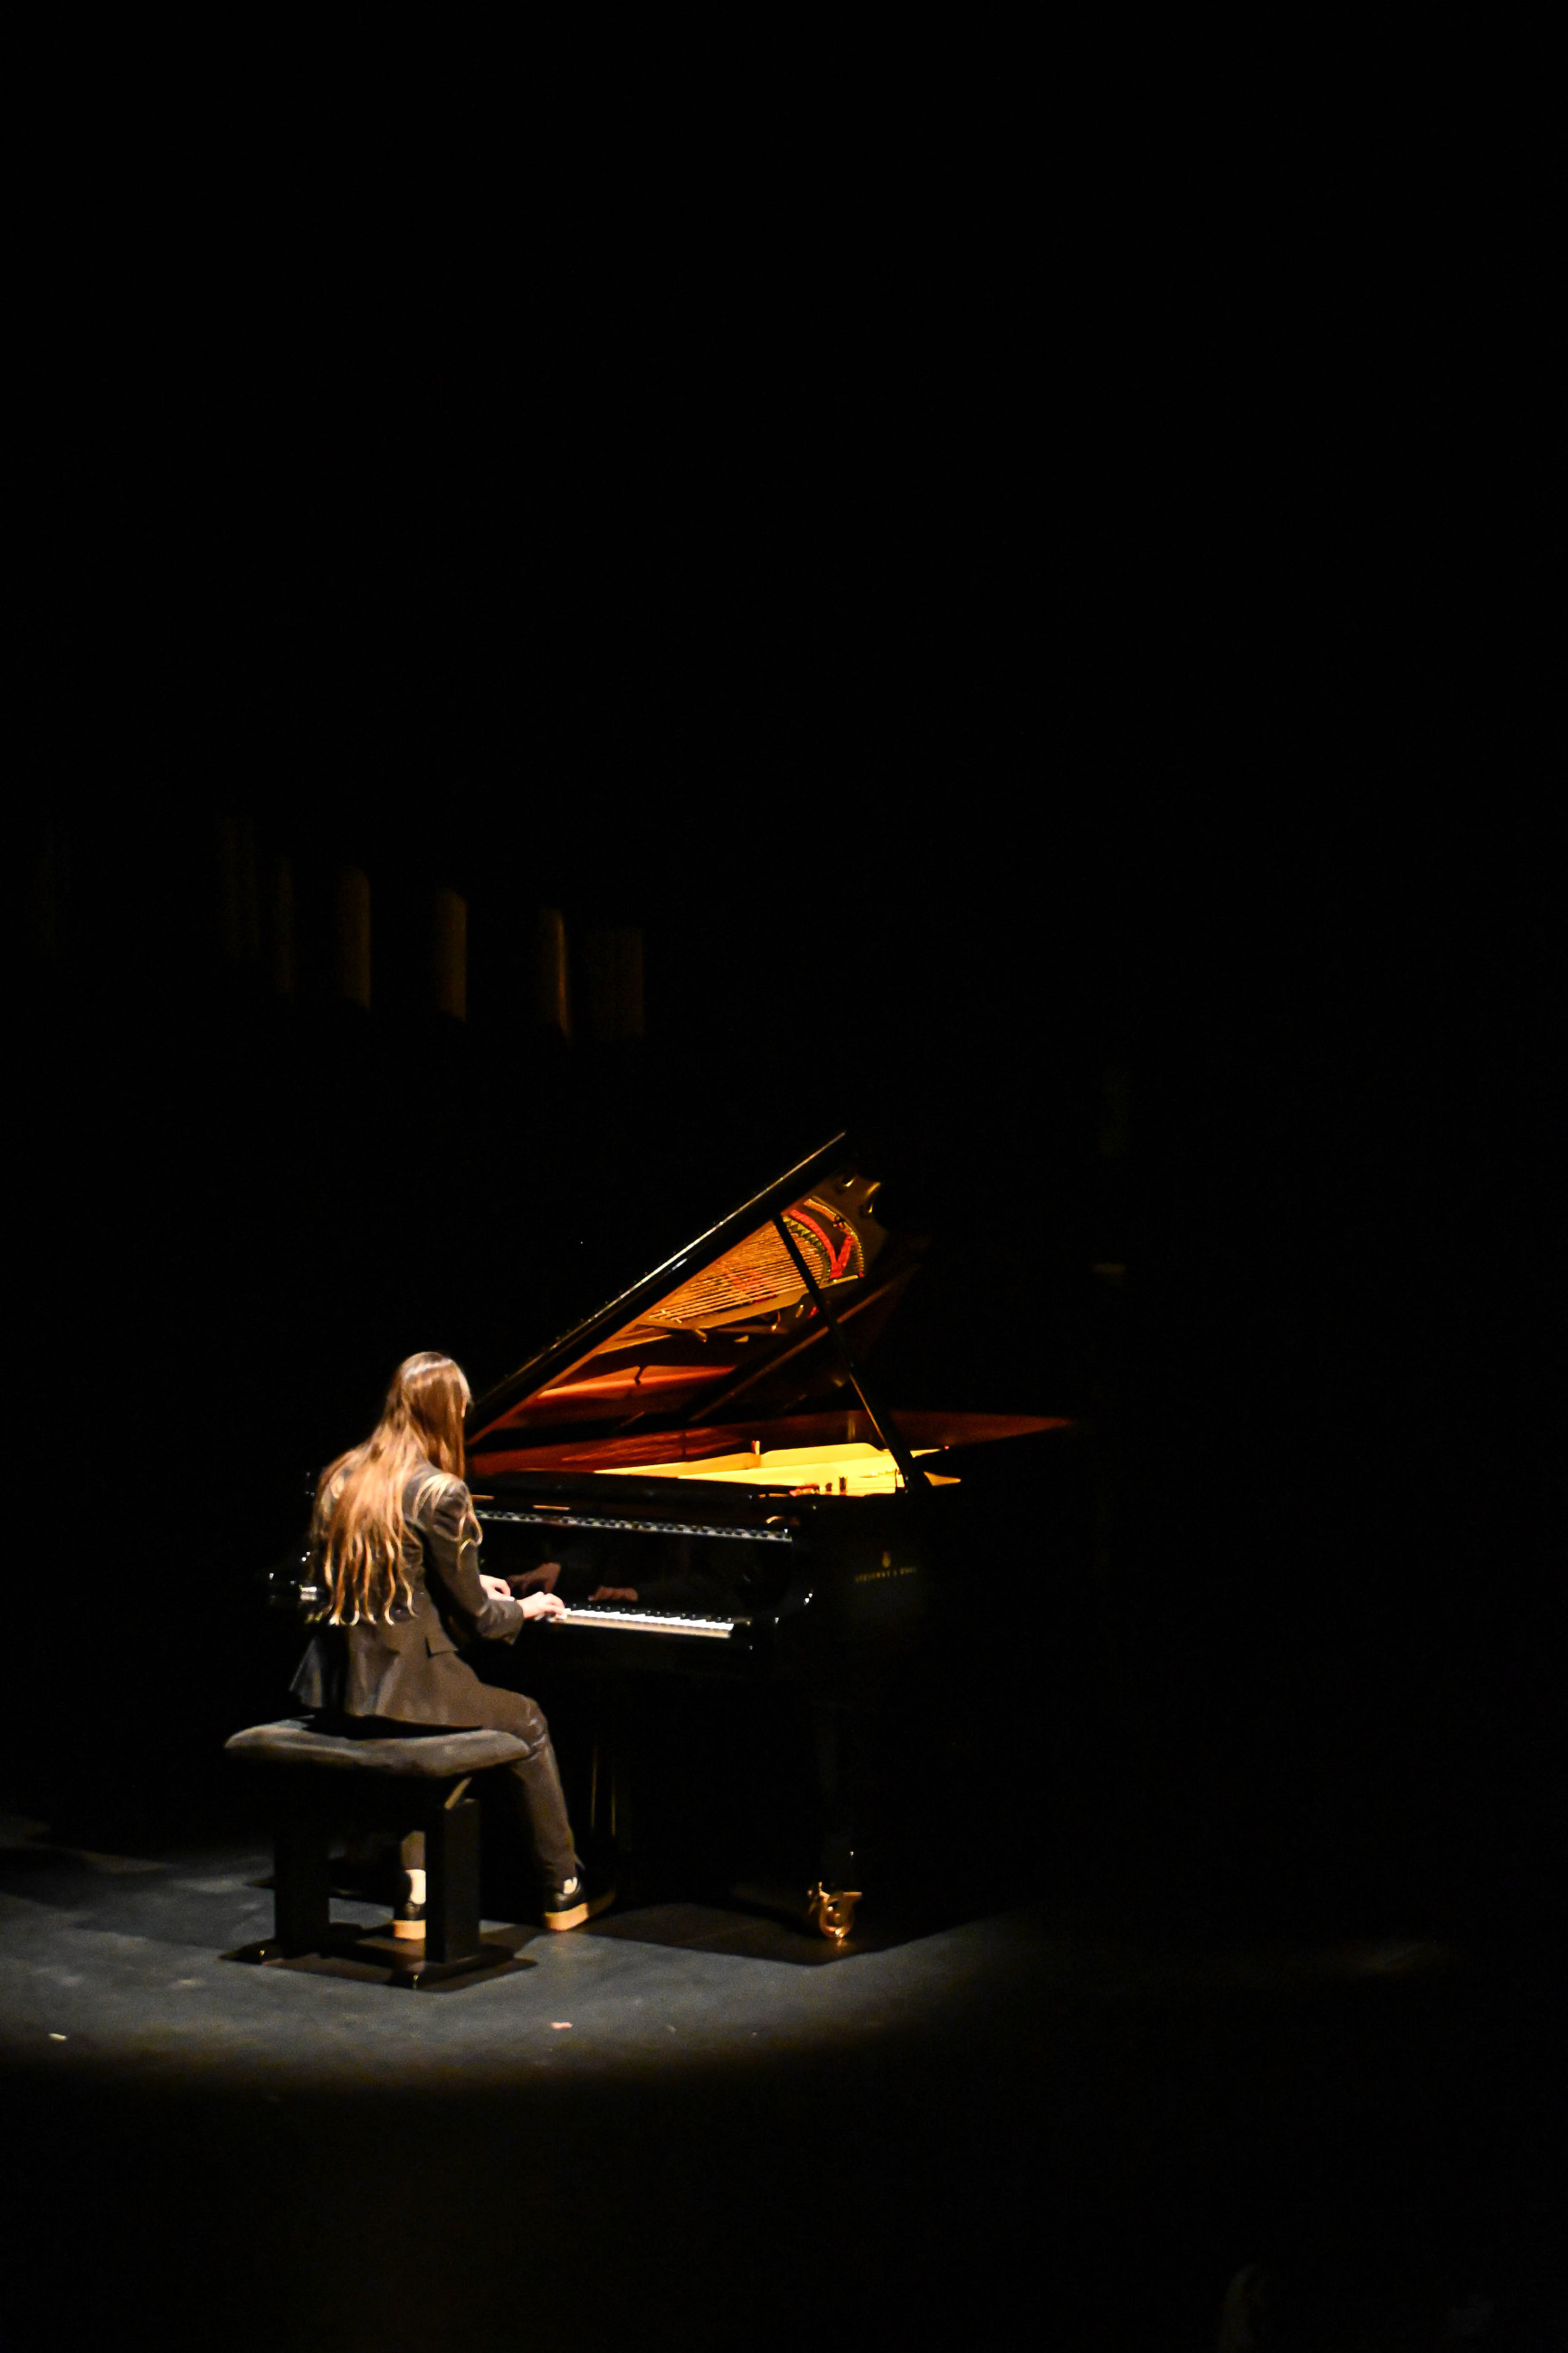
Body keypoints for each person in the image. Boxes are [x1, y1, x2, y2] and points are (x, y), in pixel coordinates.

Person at [290, 1351, 611, 1934]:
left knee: (439, 1737)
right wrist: (525, 1606)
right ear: (445, 1413)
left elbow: (389, 1576)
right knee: (528, 1721)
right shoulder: (441, 1492)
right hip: (408, 1687)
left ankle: (414, 1894)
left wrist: (472, 1582)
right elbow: (482, 1621)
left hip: (335, 1685)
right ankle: (563, 1888)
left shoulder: (344, 1475)